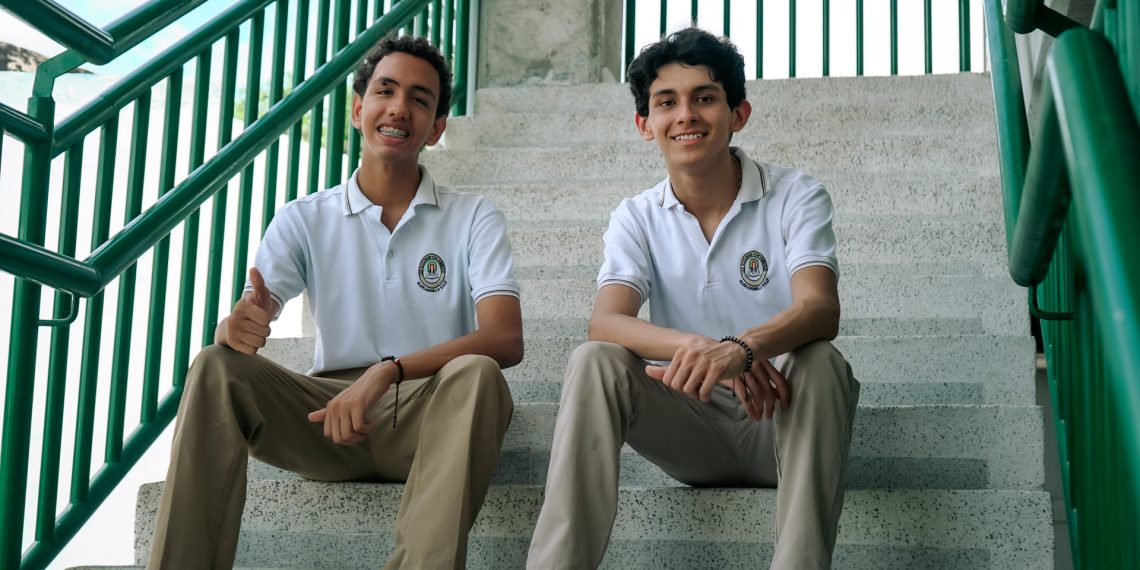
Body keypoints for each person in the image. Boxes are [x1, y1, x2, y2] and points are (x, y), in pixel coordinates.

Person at [148, 36, 523, 570]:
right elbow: (255, 308)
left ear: (437, 128)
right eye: (385, 91)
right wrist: (238, 327)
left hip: (429, 413)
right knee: (215, 365)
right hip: (326, 417)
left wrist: (387, 373)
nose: (398, 107)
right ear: (357, 108)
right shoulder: (305, 217)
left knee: (481, 373)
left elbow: (506, 338)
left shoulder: (473, 217)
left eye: (420, 99)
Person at [526, 27, 859, 570]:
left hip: (785, 421)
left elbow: (821, 308)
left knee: (820, 359)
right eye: (666, 102)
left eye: (704, 98)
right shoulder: (635, 216)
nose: (686, 115)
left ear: (738, 114)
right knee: (596, 360)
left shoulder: (795, 195)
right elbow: (605, 322)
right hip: (693, 427)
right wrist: (704, 348)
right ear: (644, 124)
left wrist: (743, 348)